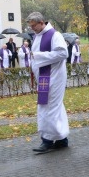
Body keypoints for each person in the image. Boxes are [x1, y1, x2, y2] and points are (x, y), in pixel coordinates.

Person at [26, 12, 70, 153]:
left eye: (34, 26)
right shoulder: (37, 37)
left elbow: (63, 53)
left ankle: (47, 140)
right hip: (44, 78)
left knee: (49, 108)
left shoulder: (54, 35)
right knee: (54, 107)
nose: (32, 28)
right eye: (31, 26)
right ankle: (62, 138)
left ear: (41, 22)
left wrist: (39, 56)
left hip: (54, 77)